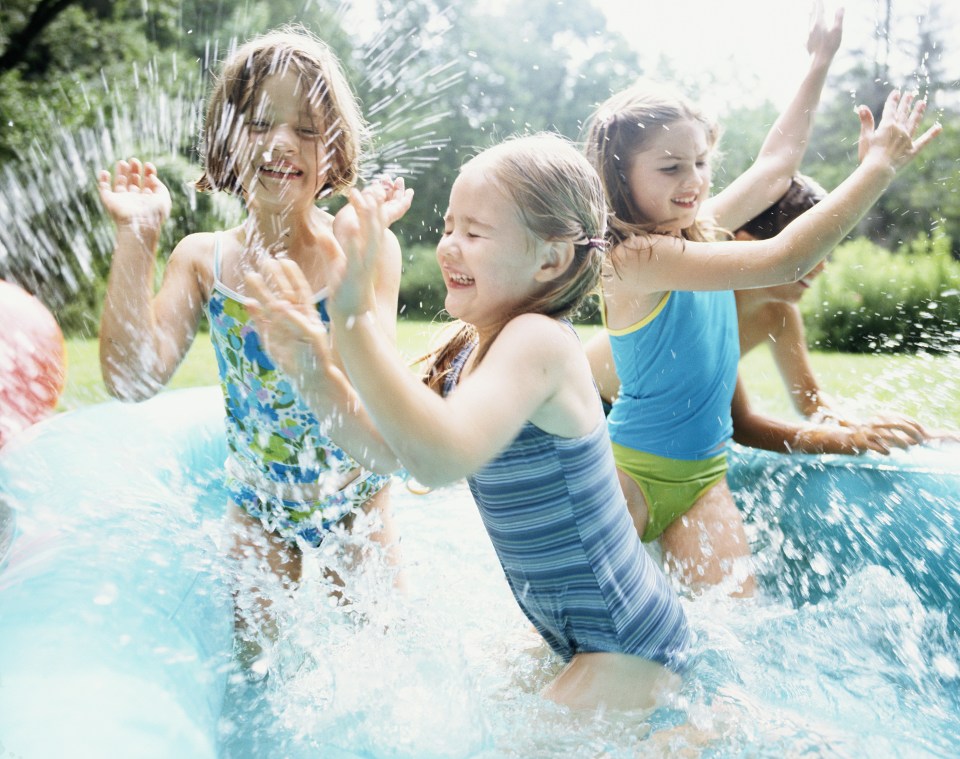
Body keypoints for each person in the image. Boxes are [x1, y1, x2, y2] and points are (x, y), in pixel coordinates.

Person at [244, 133, 691, 712]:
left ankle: (690, 733)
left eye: (475, 233)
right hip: (576, 636)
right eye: (449, 227)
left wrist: (351, 318)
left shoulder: (539, 343)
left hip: (630, 645)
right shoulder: (470, 352)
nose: (450, 246)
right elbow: (388, 452)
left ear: (550, 258)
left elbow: (443, 459)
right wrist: (311, 373)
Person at [582, 42, 940, 602]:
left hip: (703, 480)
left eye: (700, 162)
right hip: (630, 476)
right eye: (671, 167)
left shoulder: (704, 232)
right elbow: (784, 258)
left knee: (735, 629)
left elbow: (776, 166)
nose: (693, 180)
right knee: (575, 638)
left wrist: (819, 60)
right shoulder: (632, 260)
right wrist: (878, 168)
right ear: (620, 178)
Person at [96, 27, 410, 660]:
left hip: (354, 498)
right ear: (226, 139)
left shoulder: (363, 252)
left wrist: (348, 278)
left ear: (335, 150)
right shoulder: (204, 262)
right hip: (259, 505)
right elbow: (132, 379)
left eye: (306, 128)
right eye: (261, 122)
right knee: (257, 674)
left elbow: (382, 401)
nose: (280, 144)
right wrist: (138, 238)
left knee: (384, 662)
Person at [590, 175, 938, 454]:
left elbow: (812, 402)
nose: (820, 266)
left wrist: (874, 432)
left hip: (646, 421)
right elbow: (743, 424)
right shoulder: (701, 295)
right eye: (807, 253)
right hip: (594, 408)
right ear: (746, 243)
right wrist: (847, 441)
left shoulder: (780, 314)